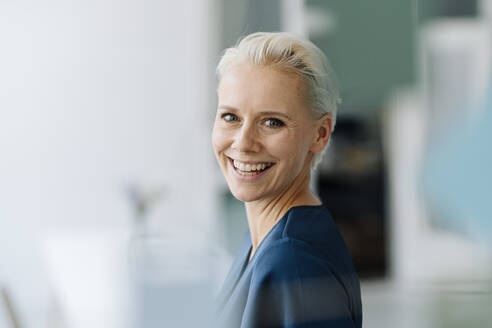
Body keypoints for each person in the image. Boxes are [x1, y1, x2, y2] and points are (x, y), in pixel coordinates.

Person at [212, 32, 362, 328]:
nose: (243, 143)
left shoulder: (292, 262)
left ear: (320, 134)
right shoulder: (264, 239)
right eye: (230, 117)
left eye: (272, 122)